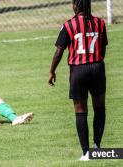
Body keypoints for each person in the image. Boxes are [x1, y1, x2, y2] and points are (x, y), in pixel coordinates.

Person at [48, 0, 108, 161]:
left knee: (81, 111)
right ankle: (97, 147)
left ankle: (86, 153)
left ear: (75, 5)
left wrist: (52, 71)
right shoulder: (100, 23)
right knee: (99, 107)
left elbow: (59, 52)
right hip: (97, 68)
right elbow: (102, 48)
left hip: (78, 71)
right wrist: (95, 62)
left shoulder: (68, 25)